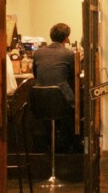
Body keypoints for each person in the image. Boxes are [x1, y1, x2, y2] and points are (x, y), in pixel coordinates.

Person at [31, 22, 78, 152]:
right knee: (73, 110)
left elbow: (35, 74)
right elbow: (74, 75)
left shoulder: (38, 53)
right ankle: (65, 149)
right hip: (62, 101)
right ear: (66, 38)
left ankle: (46, 146)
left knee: (46, 120)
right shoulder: (68, 54)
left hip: (40, 101)